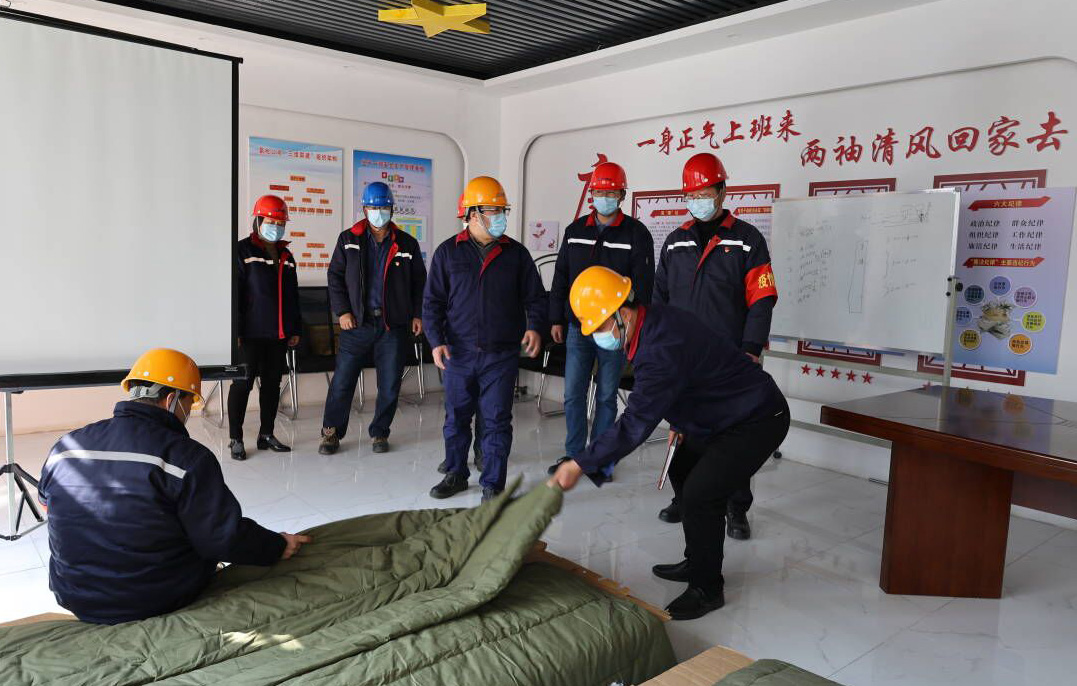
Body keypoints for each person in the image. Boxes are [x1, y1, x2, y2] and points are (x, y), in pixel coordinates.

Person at [550, 268, 788, 620]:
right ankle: (697, 560)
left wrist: (580, 463)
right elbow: (689, 373)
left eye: (601, 326)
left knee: (701, 494)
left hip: (756, 418)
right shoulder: (651, 322)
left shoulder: (659, 346)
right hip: (721, 412)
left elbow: (635, 423)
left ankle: (707, 588)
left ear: (623, 312)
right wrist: (681, 420)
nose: (599, 335)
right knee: (682, 468)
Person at [37, 349, 310, 625]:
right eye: (189, 403)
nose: (188, 412)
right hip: (151, 599)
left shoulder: (65, 447)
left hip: (74, 595)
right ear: (172, 400)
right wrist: (277, 546)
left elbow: (48, 505)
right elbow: (222, 538)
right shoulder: (186, 457)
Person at [653, 152, 778, 539]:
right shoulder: (675, 243)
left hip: (731, 361)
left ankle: (736, 508)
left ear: (722, 191)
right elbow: (659, 299)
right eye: (691, 194)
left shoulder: (747, 240)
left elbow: (762, 298)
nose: (697, 200)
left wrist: (750, 349)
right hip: (684, 359)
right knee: (684, 433)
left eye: (704, 193)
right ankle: (684, 497)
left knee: (734, 439)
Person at [423, 175, 545, 502]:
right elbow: (432, 303)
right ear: (472, 214)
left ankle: (493, 484)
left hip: (500, 355)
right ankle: (455, 474)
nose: (501, 217)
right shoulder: (448, 253)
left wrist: (535, 326)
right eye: (494, 210)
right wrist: (436, 341)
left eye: (503, 210)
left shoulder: (516, 254)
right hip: (458, 353)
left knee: (496, 420)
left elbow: (535, 298)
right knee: (456, 418)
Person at [545, 161, 654, 482]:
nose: (604, 197)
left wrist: (632, 327)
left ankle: (601, 458)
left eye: (611, 192)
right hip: (578, 326)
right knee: (573, 393)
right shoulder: (576, 231)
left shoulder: (636, 233)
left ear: (621, 195)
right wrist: (556, 318)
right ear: (591, 194)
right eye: (599, 192)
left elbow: (644, 284)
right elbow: (561, 276)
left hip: (614, 329)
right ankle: (574, 454)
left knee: (607, 395)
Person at [320, 182, 426, 455]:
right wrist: (343, 311)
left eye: (383, 207)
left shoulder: (407, 243)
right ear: (365, 209)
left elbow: (419, 283)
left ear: (392, 209)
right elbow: (335, 277)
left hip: (393, 326)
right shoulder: (348, 240)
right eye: (373, 207)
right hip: (357, 325)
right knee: (342, 382)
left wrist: (418, 314)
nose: (378, 212)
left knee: (389, 384)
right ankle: (331, 432)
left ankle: (380, 432)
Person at [229, 194, 301, 461]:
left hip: (278, 334)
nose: (276, 227)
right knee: (242, 385)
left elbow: (292, 296)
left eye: (280, 223)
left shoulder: (287, 256)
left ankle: (266, 434)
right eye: (271, 222)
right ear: (258, 221)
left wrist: (294, 329)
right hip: (249, 334)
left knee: (272, 385)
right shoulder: (242, 251)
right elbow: (234, 295)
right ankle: (236, 438)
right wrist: (235, 332)